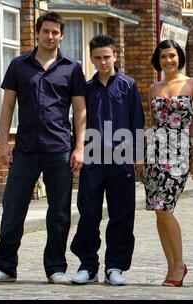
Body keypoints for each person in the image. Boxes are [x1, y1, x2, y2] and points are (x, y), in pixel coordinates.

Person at [0, 12, 87, 285]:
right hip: (25, 149)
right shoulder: (19, 65)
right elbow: (7, 107)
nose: (50, 36)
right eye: (46, 31)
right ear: (38, 33)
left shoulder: (72, 68)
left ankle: (55, 268)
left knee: (60, 212)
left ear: (61, 36)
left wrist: (79, 147)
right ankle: (5, 266)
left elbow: (80, 111)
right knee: (13, 208)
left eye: (55, 32)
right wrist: (3, 143)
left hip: (60, 148)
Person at [70, 34, 144, 286]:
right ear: (91, 59)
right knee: (88, 214)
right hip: (92, 161)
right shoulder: (86, 90)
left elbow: (137, 122)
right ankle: (87, 266)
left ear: (115, 56)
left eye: (107, 57)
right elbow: (77, 122)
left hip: (121, 160)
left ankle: (115, 266)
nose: (103, 62)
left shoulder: (128, 85)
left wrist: (139, 157)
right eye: (97, 58)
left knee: (122, 215)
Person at [143, 40, 193, 287]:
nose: (168, 61)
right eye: (163, 57)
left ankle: (179, 265)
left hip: (179, 153)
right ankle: (171, 265)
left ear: (179, 57)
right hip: (154, 153)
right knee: (158, 212)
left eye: (172, 56)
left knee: (165, 208)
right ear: (158, 61)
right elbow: (151, 123)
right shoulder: (153, 88)